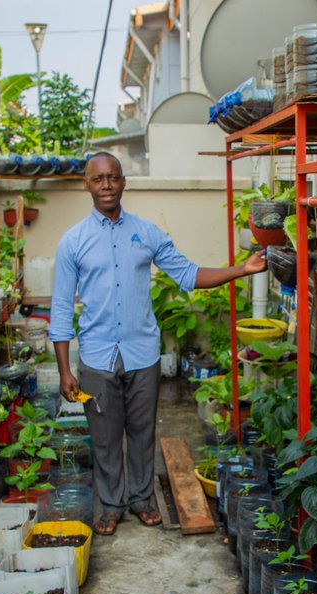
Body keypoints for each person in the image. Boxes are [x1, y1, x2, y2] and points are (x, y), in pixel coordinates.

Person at [50, 152, 266, 536]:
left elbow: (189, 274)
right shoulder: (73, 242)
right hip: (98, 355)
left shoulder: (146, 234)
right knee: (103, 436)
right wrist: (65, 369)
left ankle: (142, 500)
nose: (106, 186)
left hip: (141, 354)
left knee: (141, 432)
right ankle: (111, 505)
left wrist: (242, 270)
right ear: (86, 184)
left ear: (123, 182)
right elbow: (62, 308)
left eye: (113, 178)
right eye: (98, 179)